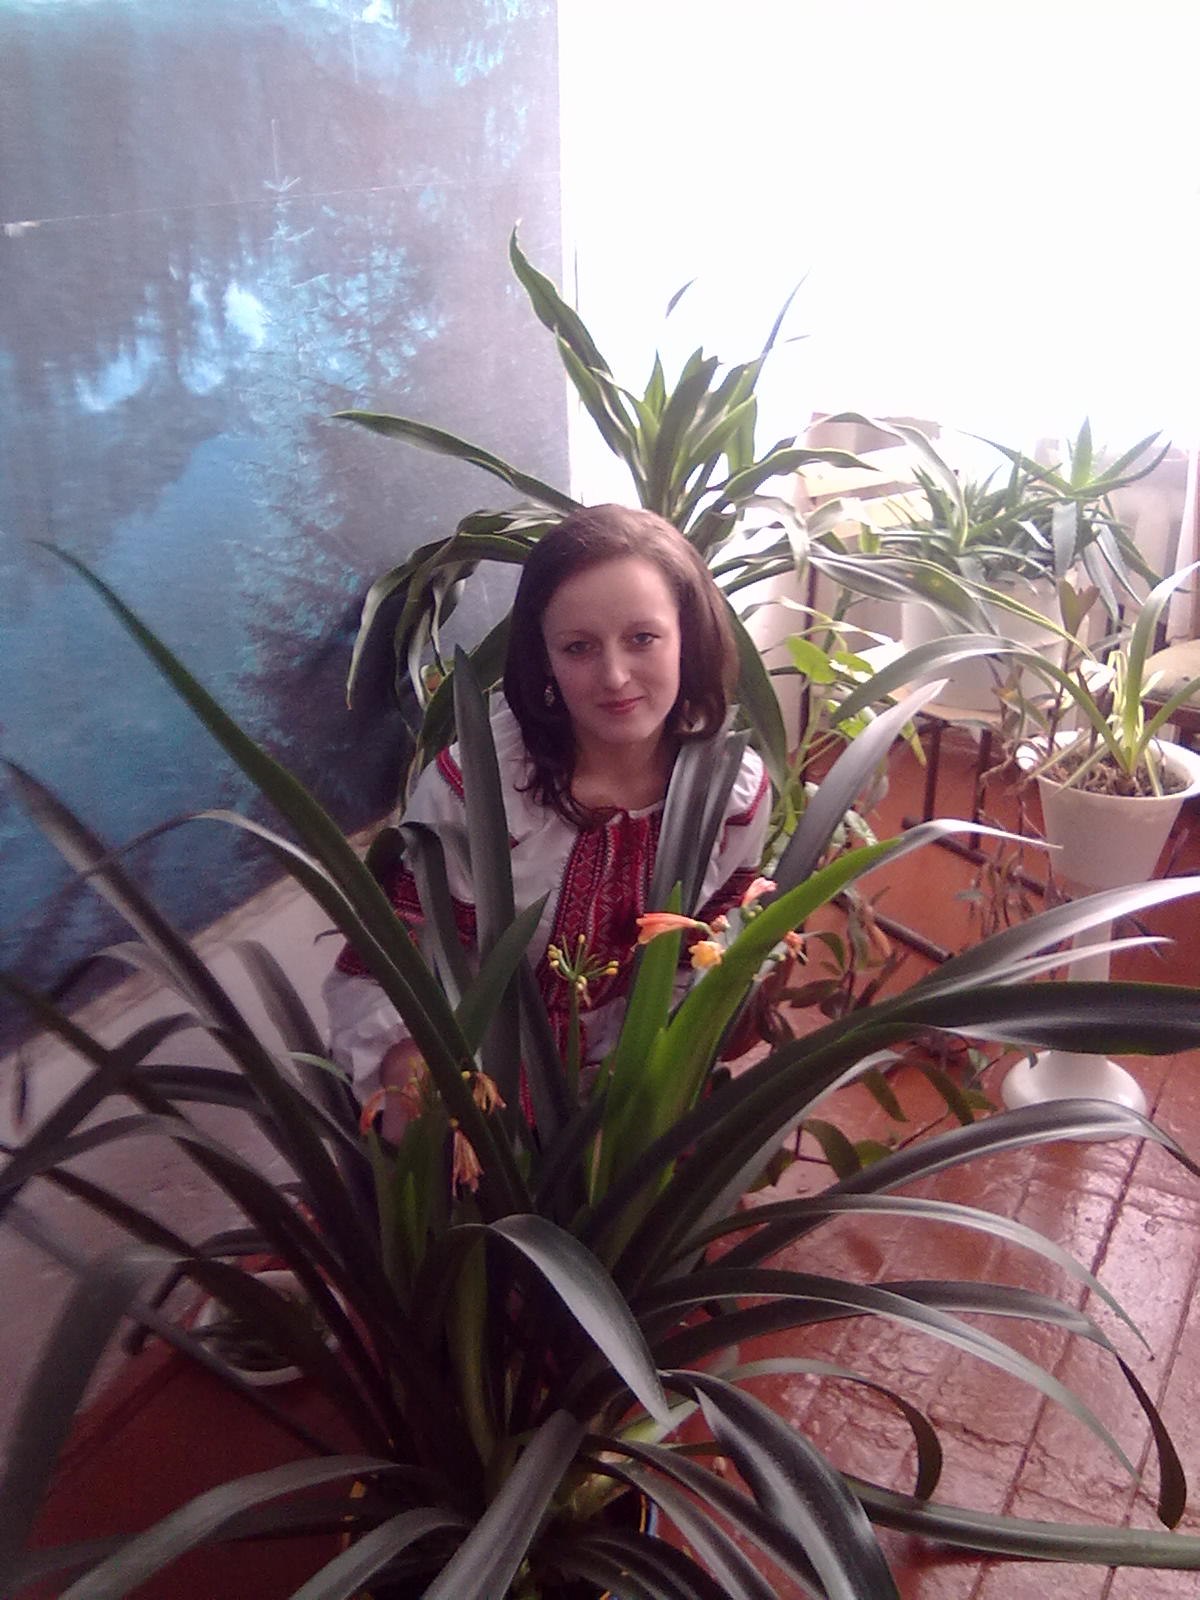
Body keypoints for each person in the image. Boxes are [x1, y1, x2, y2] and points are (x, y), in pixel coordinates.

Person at [324, 503, 770, 1131]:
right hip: (475, 1072)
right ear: (547, 659)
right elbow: (395, 965)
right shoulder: (480, 787)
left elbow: (707, 946)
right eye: (578, 647)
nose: (615, 676)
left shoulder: (731, 791)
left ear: (687, 637)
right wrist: (434, 1103)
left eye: (643, 638)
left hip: (627, 1082)